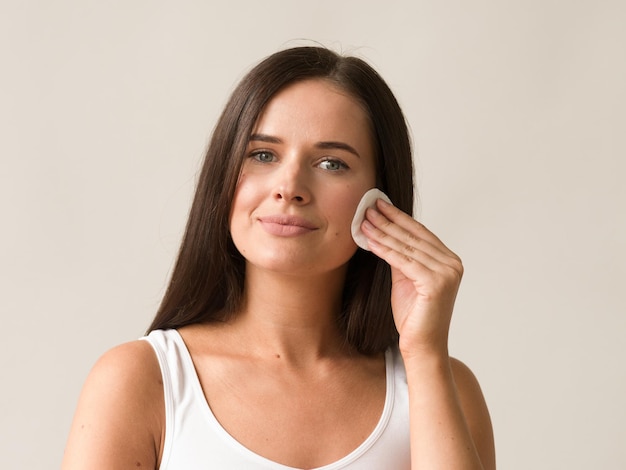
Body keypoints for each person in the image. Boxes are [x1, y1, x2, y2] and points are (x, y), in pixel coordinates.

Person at [62, 46, 495, 469]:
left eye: (331, 163)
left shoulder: (443, 386)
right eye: (263, 154)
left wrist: (423, 353)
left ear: (380, 197)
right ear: (224, 175)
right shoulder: (143, 380)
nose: (289, 186)